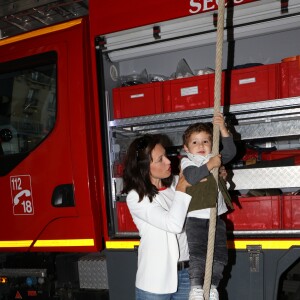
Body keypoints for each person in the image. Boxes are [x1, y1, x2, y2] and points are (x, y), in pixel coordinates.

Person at [123, 134, 192, 300]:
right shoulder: (137, 197)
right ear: (145, 167)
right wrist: (182, 187)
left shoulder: (176, 184)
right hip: (155, 281)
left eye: (166, 156)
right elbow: (173, 224)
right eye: (160, 159)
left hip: (187, 274)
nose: (169, 162)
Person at [180, 113, 236, 300]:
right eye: (195, 143)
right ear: (186, 148)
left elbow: (230, 153)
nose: (201, 146)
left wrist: (222, 129)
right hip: (195, 217)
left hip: (215, 217)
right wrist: (210, 164)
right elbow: (191, 176)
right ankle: (196, 287)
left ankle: (212, 286)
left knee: (220, 254)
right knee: (197, 254)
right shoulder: (188, 161)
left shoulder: (214, 157)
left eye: (205, 141)